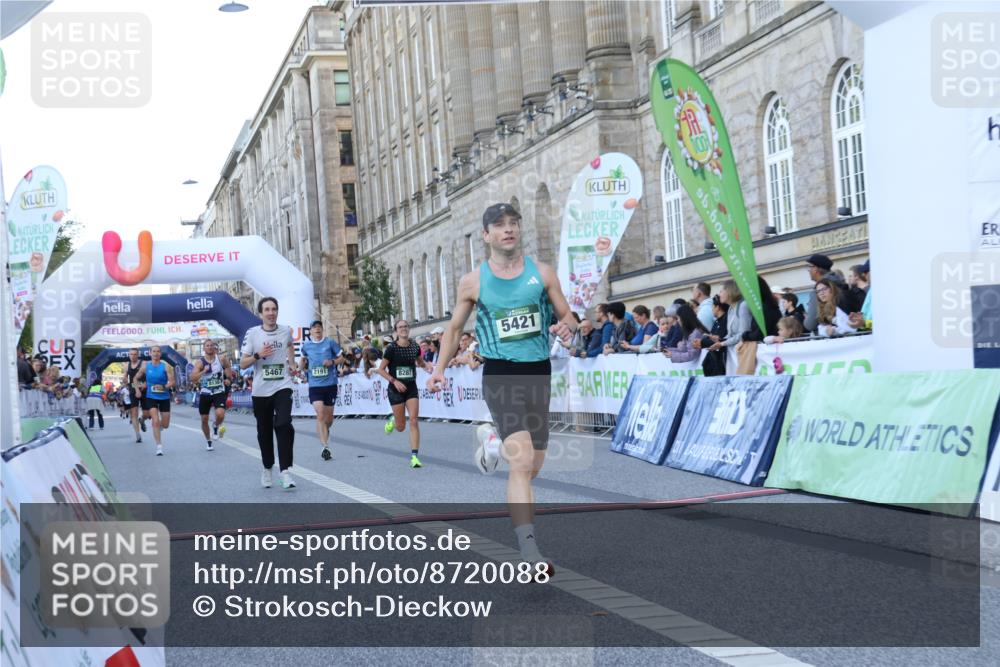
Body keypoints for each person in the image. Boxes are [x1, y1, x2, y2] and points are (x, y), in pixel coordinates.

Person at [429, 202, 576, 573]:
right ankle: (529, 552)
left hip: (538, 373)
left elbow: (568, 316)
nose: (507, 229)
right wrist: (439, 369)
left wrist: (568, 327)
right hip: (500, 374)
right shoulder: (473, 282)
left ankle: (493, 444)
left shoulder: (543, 273)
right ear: (486, 235)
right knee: (522, 462)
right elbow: (453, 330)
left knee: (533, 466)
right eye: (498, 225)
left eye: (513, 223)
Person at [240, 297, 299, 490]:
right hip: (261, 390)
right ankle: (267, 467)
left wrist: (292, 364)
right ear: (261, 313)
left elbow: (289, 345)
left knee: (283, 423)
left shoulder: (285, 330)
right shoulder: (253, 333)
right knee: (264, 432)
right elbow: (243, 364)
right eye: (267, 309)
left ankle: (285, 471)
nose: (271, 313)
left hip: (282, 385)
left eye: (274, 309)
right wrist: (258, 355)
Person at [377, 319, 430, 468]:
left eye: (406, 326)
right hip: (395, 389)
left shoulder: (414, 346)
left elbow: (419, 361)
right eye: (400, 327)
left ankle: (414, 457)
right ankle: (394, 420)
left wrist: (427, 366)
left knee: (413, 420)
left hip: (411, 387)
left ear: (409, 328)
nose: (403, 329)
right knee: (401, 427)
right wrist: (394, 381)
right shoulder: (391, 349)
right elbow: (381, 370)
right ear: (396, 331)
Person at [299, 320, 344, 461]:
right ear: (311, 331)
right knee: (320, 413)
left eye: (319, 327)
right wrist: (301, 368)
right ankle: (325, 447)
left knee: (329, 419)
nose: (317, 329)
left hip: (330, 384)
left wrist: (332, 362)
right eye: (314, 328)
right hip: (315, 385)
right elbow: (303, 360)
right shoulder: (306, 345)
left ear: (322, 330)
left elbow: (342, 358)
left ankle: (325, 429)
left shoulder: (330, 343)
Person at [191, 338, 234, 452]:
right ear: (204, 348)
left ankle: (215, 425)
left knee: (220, 414)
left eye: (211, 345)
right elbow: (193, 378)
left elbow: (228, 367)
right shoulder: (200, 362)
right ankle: (208, 441)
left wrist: (228, 379)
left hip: (218, 391)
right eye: (207, 345)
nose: (210, 347)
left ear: (214, 347)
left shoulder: (221, 359)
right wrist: (203, 372)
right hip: (205, 393)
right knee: (204, 419)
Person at [133, 346, 175, 456]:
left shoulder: (165, 367)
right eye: (154, 351)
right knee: (155, 420)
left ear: (160, 354)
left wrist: (164, 387)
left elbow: (172, 382)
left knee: (165, 425)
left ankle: (159, 426)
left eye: (158, 351)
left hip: (164, 397)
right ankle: (159, 447)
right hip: (151, 397)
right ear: (150, 353)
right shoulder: (146, 366)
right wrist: (137, 390)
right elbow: (135, 378)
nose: (156, 353)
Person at [803, 254, 859, 332]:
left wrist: (806, 319)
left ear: (815, 269)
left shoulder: (818, 290)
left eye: (809, 267)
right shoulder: (842, 285)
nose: (808, 271)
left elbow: (810, 324)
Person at [124, 348, 146, 442]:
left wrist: (145, 383)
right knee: (134, 412)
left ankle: (142, 419)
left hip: (144, 389)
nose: (133, 356)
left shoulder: (143, 363)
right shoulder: (126, 365)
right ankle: (138, 434)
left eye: (134, 354)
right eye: (131, 354)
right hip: (133, 390)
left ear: (138, 355)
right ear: (129, 355)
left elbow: (149, 375)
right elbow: (125, 377)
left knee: (147, 412)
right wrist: (125, 381)